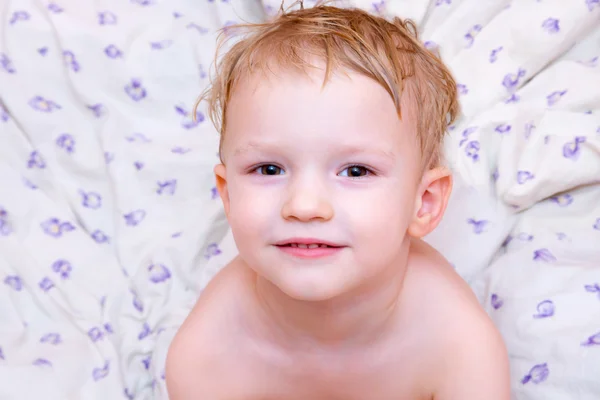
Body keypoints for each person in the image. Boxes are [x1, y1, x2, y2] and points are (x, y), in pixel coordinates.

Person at [166, 3, 510, 399]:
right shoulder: (207, 355)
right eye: (269, 169)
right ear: (228, 195)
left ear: (424, 202)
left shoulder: (457, 343)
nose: (305, 205)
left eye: (356, 171)